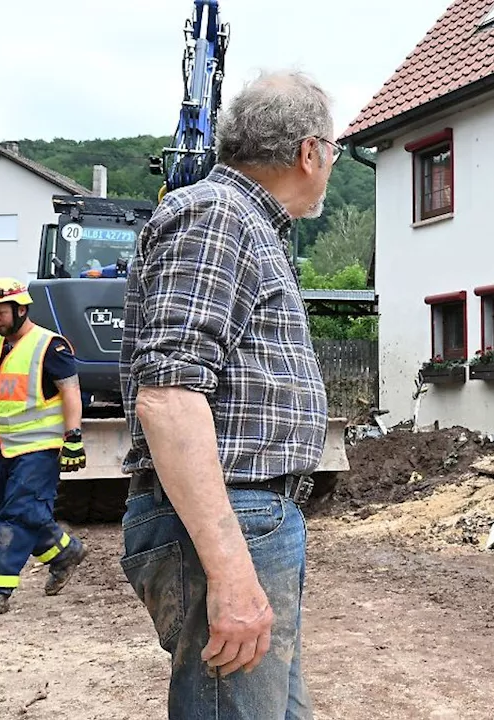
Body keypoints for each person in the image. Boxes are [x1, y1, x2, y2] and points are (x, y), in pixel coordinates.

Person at [118, 69, 333, 719]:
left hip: (252, 517)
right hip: (232, 518)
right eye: (334, 151)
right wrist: (232, 570)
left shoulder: (243, 223)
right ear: (309, 152)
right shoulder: (217, 214)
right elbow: (170, 394)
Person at [0, 277, 90, 621]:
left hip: (41, 447)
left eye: (0, 313)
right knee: (14, 511)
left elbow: (71, 392)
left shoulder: (50, 345)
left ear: (21, 309)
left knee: (16, 518)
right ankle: (65, 552)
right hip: (5, 448)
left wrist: (73, 436)